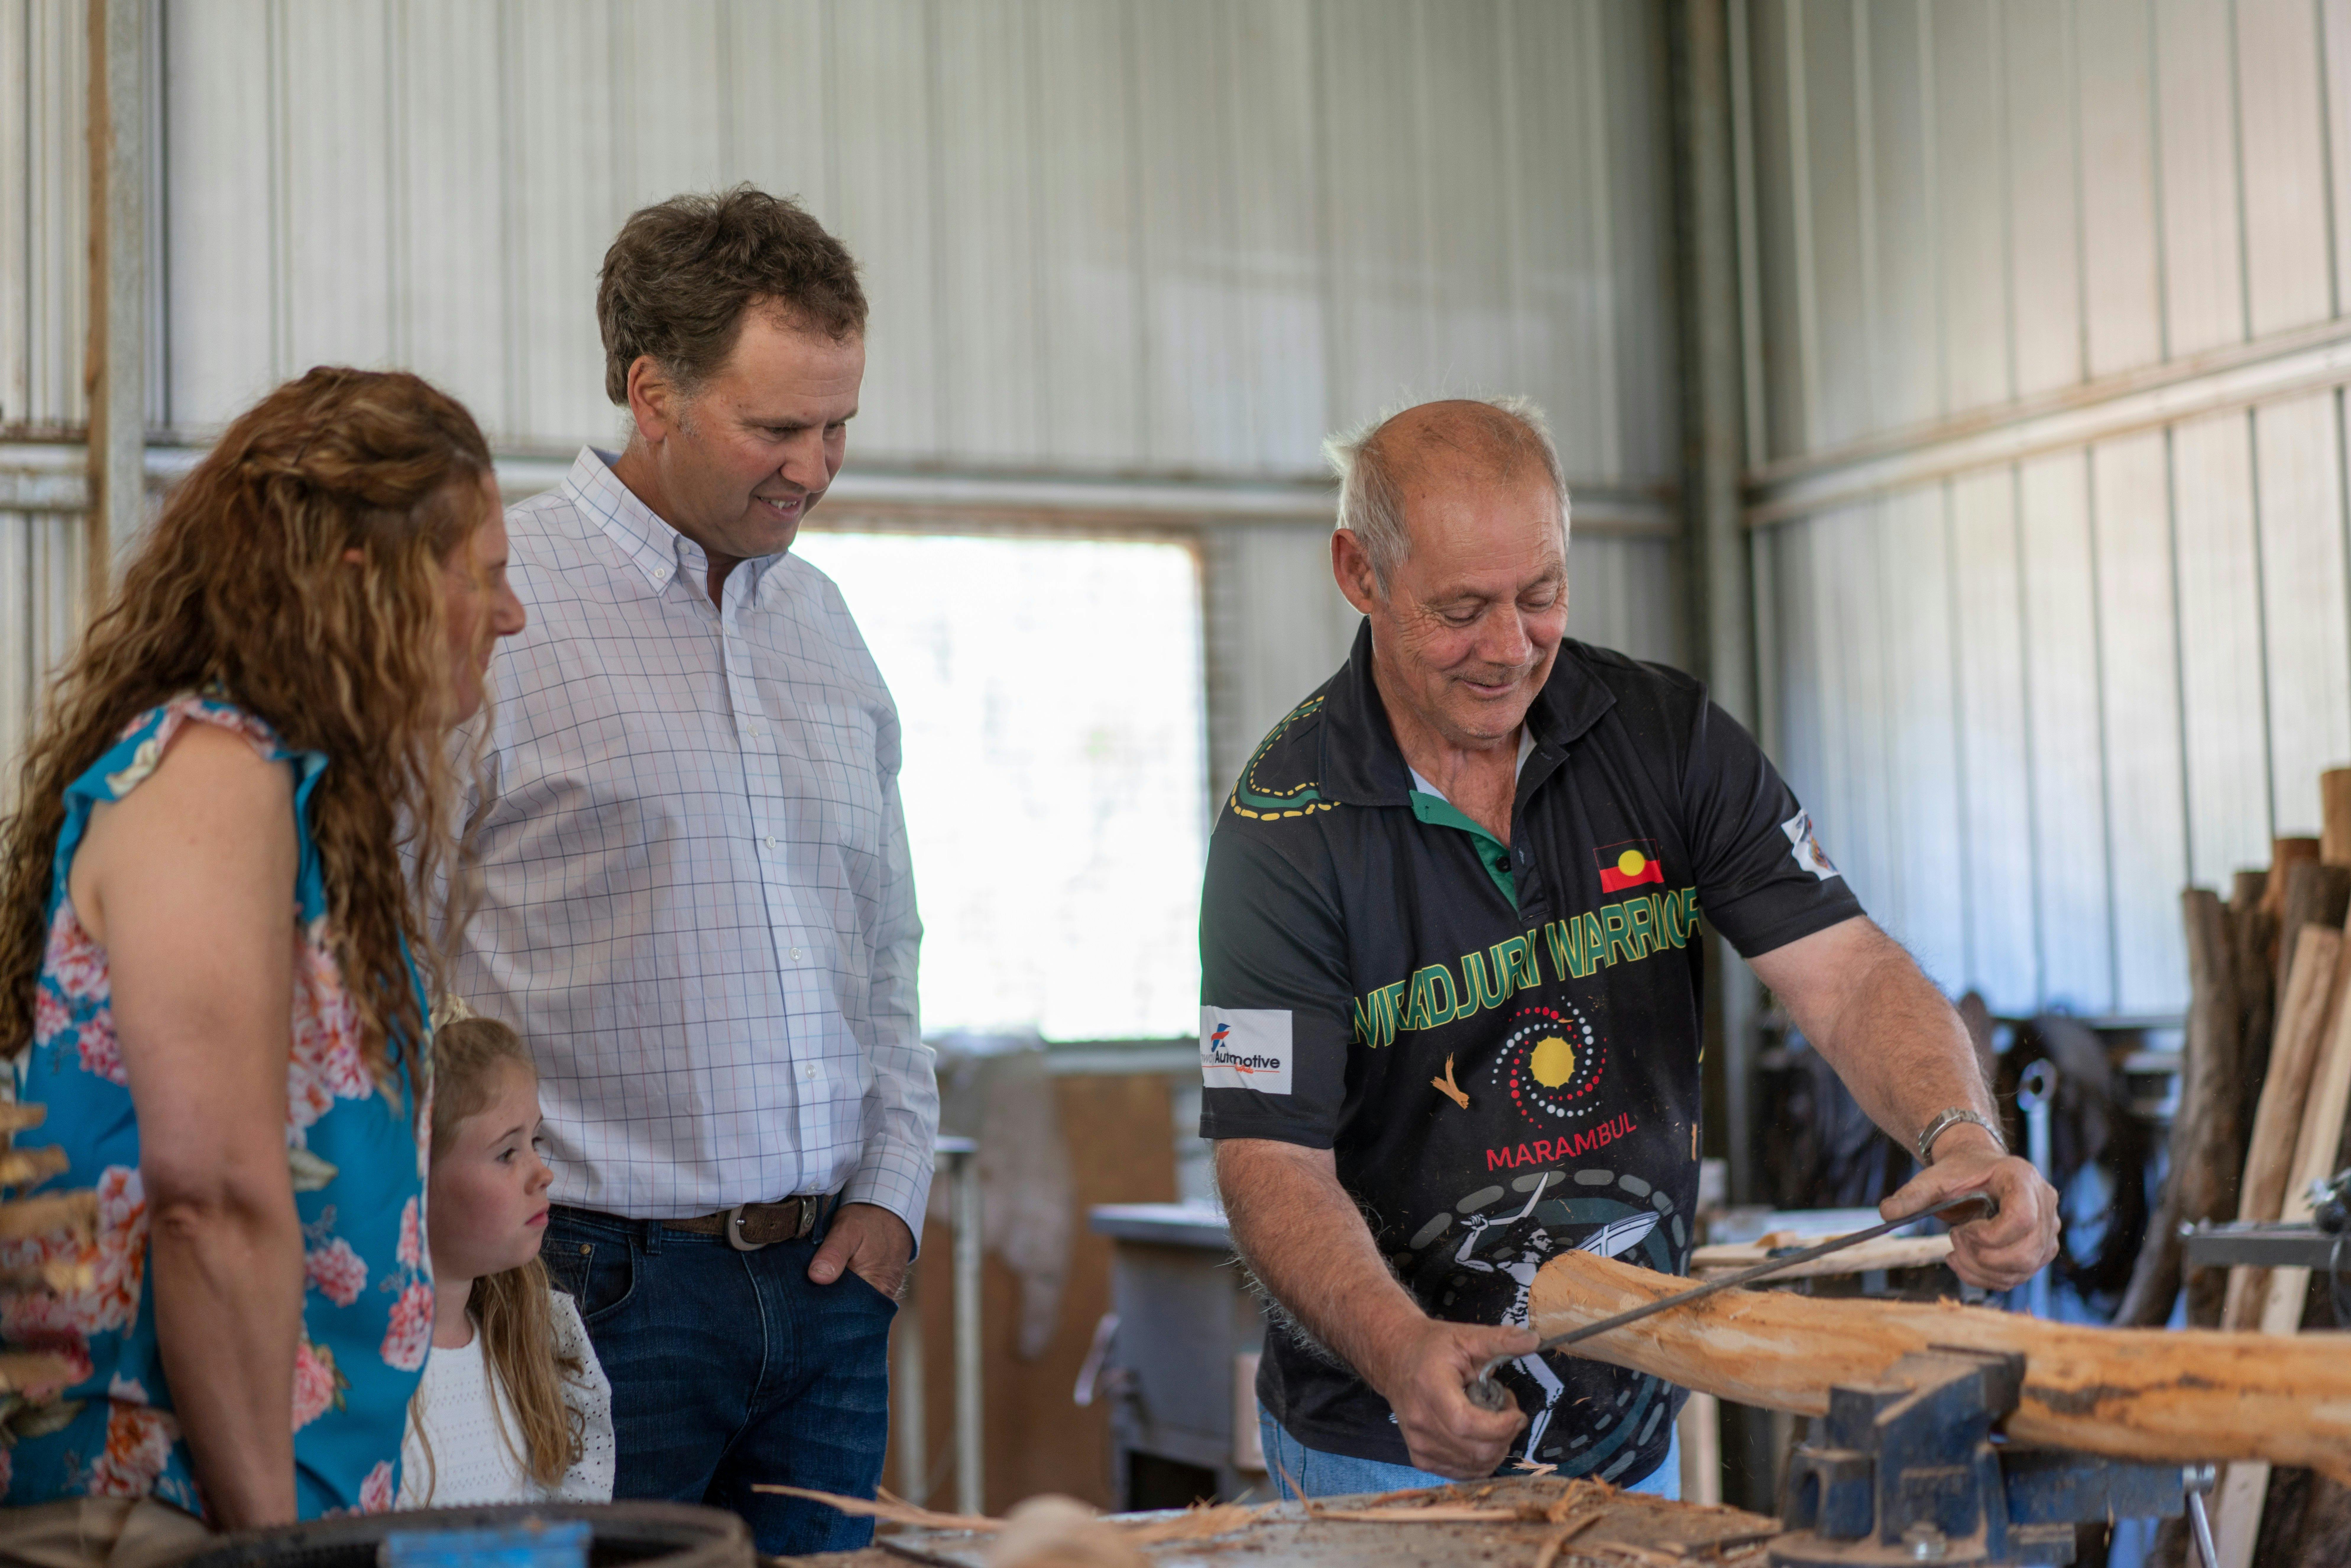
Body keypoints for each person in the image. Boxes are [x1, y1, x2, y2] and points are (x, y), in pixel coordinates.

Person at [1199, 397, 2060, 1499]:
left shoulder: (1664, 737)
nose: (1510, 649)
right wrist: (1397, 1348)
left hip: (1626, 1427)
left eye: (1541, 595)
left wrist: (1960, 1131)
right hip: (1385, 1447)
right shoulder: (1283, 830)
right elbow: (1269, 1159)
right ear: (1359, 574)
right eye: (1461, 609)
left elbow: (1846, 973)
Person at [450, 186, 936, 1555]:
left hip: (835, 1286)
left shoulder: (827, 626)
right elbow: (398, 960)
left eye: (838, 424)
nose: (816, 465)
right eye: (776, 427)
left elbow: (885, 947)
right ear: (650, 389)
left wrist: (896, 1182)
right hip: (593, 1288)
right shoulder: (501, 606)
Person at [0, 367, 526, 1554]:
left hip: (234, 1501)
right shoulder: (213, 774)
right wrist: (269, 1544)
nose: (510, 616)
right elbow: (212, 1201)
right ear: (363, 583)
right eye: (483, 576)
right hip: (160, 1502)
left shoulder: (292, 795)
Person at [399, 1015, 613, 1507]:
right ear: (411, 1175)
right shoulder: (352, 1370)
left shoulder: (539, 1342)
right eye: (506, 1154)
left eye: (534, 1142)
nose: (544, 1173)